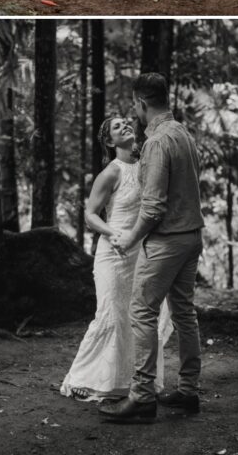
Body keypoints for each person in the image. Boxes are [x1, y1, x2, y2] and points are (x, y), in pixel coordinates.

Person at [99, 73, 204, 424]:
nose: (133, 112)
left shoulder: (159, 141)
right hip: (192, 235)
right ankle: (188, 391)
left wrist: (130, 238)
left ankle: (142, 397)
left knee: (141, 311)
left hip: (168, 240)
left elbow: (153, 206)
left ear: (142, 103)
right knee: (184, 313)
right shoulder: (184, 134)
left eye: (134, 105)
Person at [60, 115, 171, 401]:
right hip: (113, 252)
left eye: (126, 122)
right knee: (110, 314)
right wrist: (114, 235)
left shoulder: (148, 167)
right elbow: (90, 215)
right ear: (110, 141)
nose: (125, 126)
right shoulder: (111, 172)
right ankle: (83, 377)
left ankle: (129, 381)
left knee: (139, 317)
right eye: (117, 126)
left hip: (142, 251)